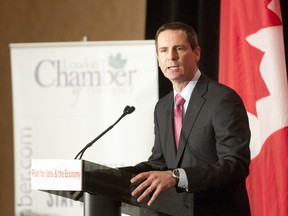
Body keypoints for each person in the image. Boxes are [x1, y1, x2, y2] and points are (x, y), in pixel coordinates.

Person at [126, 22, 251, 216]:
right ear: (158, 58)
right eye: (164, 50)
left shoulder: (222, 99)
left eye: (179, 48)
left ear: (197, 53)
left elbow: (235, 164)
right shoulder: (162, 107)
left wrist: (176, 176)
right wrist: (106, 176)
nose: (171, 57)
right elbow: (159, 164)